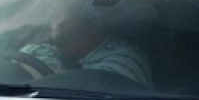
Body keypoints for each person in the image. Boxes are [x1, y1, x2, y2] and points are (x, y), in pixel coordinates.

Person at [20, 16, 153, 86]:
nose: (56, 31)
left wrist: (35, 69)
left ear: (96, 24)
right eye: (55, 21)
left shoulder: (127, 57)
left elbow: (94, 84)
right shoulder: (44, 51)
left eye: (64, 23)